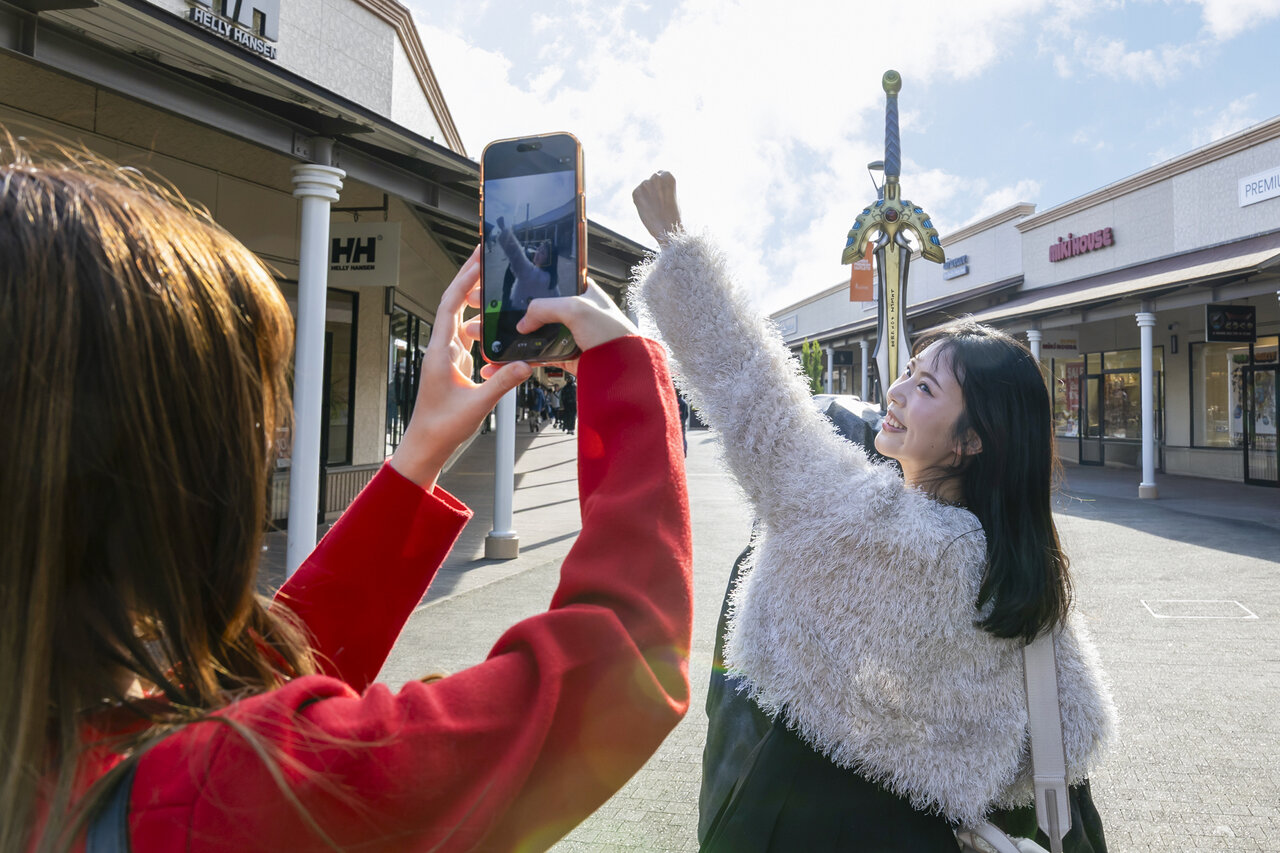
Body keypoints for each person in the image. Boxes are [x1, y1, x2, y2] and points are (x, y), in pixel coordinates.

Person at [2, 137, 693, 853]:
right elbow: (622, 665)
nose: (276, 437)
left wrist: (417, 457)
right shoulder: (225, 790)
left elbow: (239, 678)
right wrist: (629, 371)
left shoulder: (54, 743)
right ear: (162, 476)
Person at [631, 171, 1113, 852]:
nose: (894, 392)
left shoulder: (858, 521)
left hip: (788, 816)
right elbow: (1073, 739)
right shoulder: (1028, 582)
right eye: (908, 374)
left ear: (971, 440)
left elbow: (754, 395)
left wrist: (674, 241)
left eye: (924, 387)